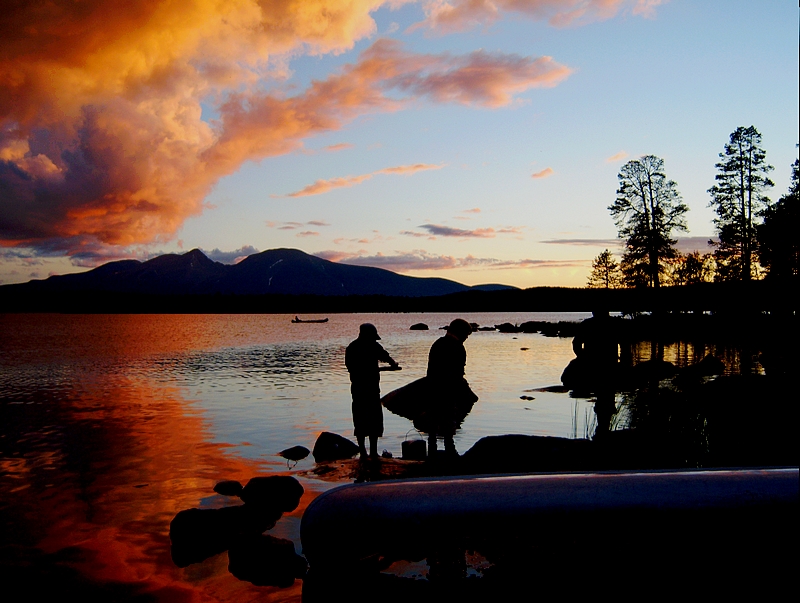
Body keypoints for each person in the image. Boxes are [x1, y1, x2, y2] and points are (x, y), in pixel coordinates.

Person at [345, 323, 400, 460]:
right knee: (363, 420)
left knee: (372, 420)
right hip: (360, 390)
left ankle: (372, 452)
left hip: (372, 390)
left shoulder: (369, 346)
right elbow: (352, 368)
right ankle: (364, 452)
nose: (374, 339)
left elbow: (385, 356)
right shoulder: (353, 348)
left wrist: (393, 364)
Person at [424, 318, 473, 457]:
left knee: (433, 423)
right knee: (448, 421)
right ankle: (450, 452)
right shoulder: (458, 347)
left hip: (432, 387)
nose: (466, 338)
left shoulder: (438, 343)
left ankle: (432, 453)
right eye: (466, 334)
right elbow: (458, 372)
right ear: (460, 332)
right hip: (448, 389)